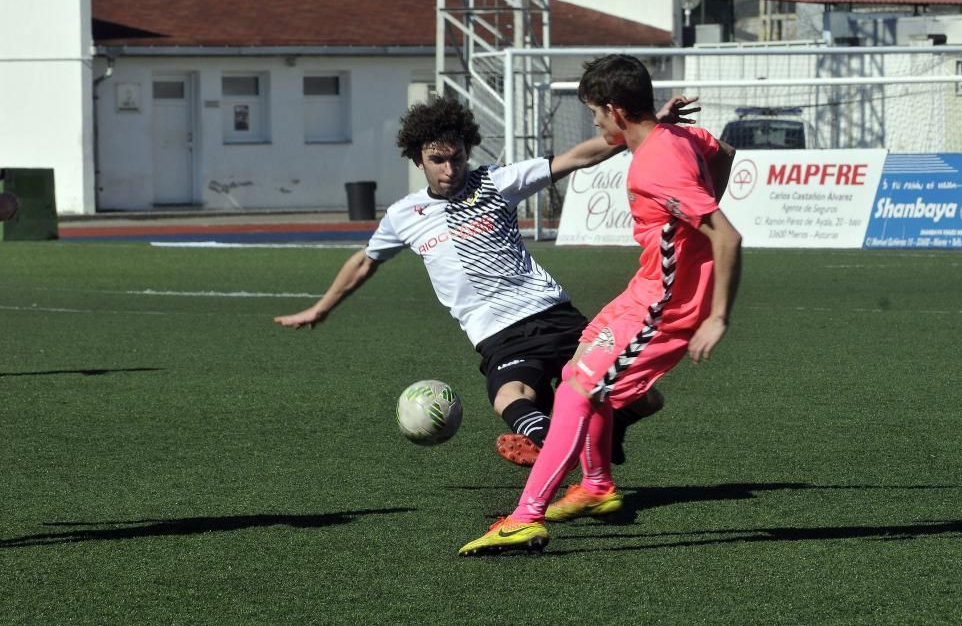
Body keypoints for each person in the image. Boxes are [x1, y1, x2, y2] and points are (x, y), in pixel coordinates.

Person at [274, 94, 698, 467]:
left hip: (554, 314)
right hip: (498, 336)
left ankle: (590, 437)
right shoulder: (404, 215)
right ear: (417, 159)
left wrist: (648, 127)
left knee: (645, 396)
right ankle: (564, 443)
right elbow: (365, 262)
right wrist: (321, 307)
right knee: (508, 396)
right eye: (438, 160)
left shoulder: (495, 182)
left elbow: (577, 157)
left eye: (456, 157)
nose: (449, 169)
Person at [458, 54, 741, 556]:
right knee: (573, 377)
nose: (592, 118)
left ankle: (526, 516)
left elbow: (727, 237)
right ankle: (595, 485)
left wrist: (717, 316)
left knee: (578, 394)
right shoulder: (675, 137)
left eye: (593, 110)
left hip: (668, 307)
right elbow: (724, 152)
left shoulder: (656, 165)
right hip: (644, 290)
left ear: (614, 109)